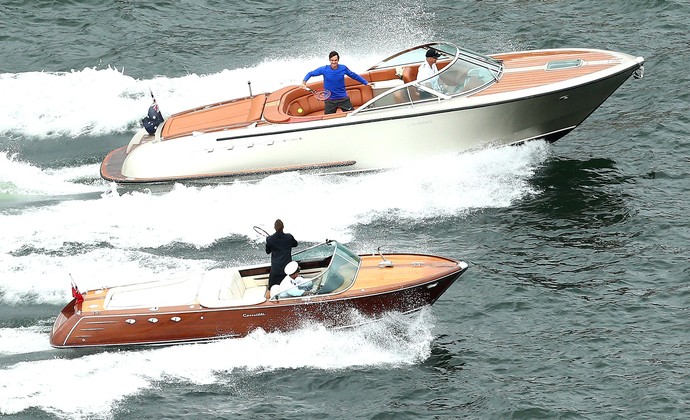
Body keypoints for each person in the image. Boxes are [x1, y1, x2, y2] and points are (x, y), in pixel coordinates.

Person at [302, 50, 370, 114]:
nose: (334, 62)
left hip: (343, 98)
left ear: (338, 60)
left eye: (335, 60)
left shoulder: (343, 68)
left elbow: (354, 75)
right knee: (328, 120)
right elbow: (310, 73)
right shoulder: (324, 69)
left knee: (353, 115)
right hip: (330, 100)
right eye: (332, 60)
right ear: (329, 60)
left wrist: (366, 82)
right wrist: (304, 82)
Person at [265, 219, 298, 291]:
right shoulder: (289, 237)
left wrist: (269, 242)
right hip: (288, 269)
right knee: (290, 288)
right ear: (283, 227)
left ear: (274, 228)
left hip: (276, 270)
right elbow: (295, 244)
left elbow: (267, 251)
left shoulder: (270, 239)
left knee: (271, 288)